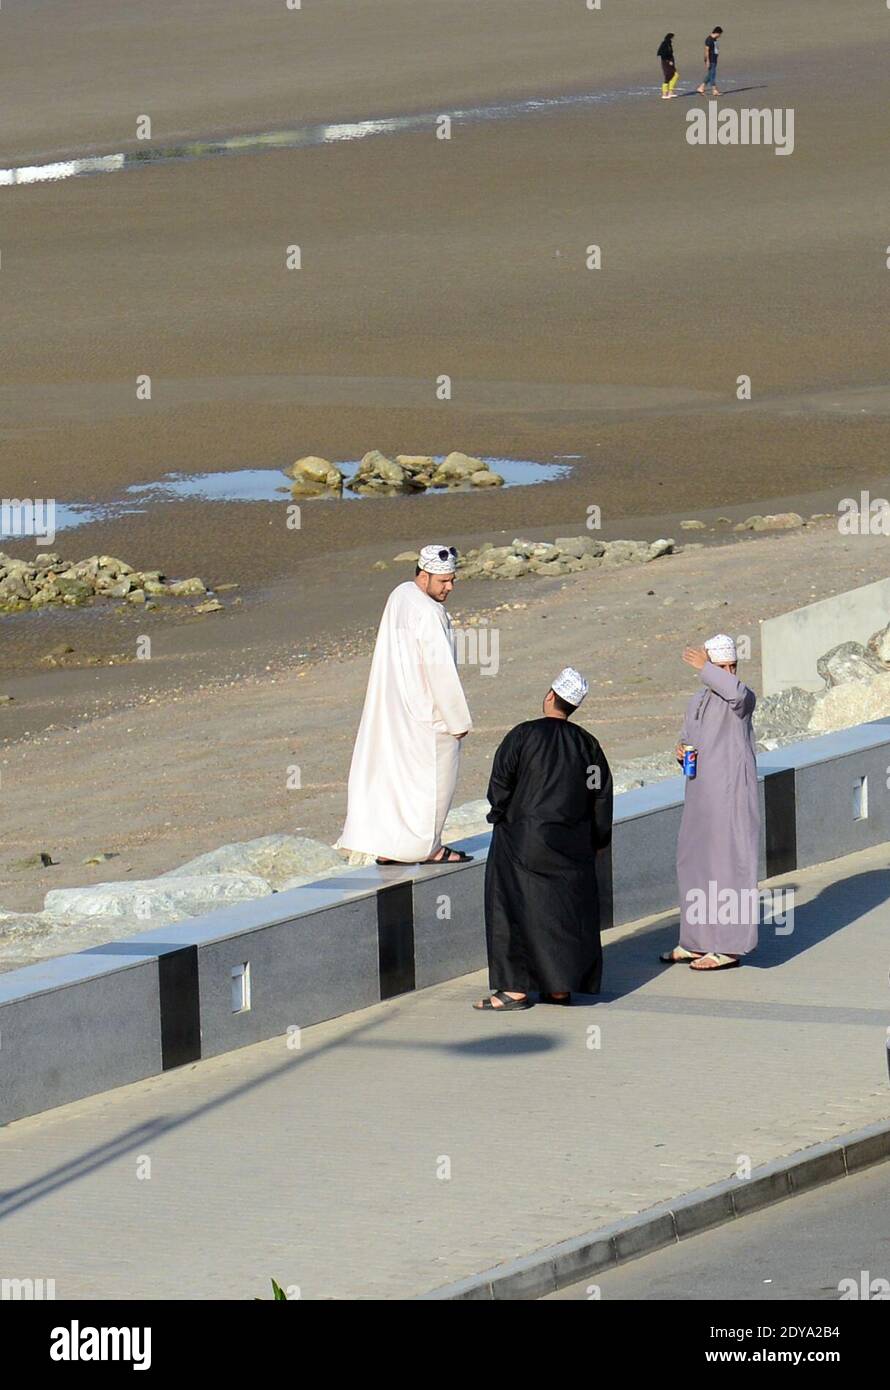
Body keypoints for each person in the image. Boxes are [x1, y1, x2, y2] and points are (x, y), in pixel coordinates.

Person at [475, 668, 613, 1011]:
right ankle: (559, 988)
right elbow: (599, 794)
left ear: (550, 696)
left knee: (511, 910)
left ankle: (514, 990)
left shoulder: (523, 735)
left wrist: (501, 815)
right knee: (563, 914)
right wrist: (598, 838)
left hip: (522, 840)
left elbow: (499, 784)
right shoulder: (588, 745)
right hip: (572, 843)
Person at [337, 543, 473, 866]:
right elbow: (440, 670)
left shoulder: (400, 594)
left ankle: (392, 846)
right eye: (443, 582)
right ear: (424, 575)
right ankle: (429, 848)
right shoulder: (428, 611)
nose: (449, 587)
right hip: (428, 713)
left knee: (396, 780)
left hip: (395, 707)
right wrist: (457, 721)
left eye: (452, 580)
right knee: (436, 783)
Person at [662, 635, 759, 972]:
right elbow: (689, 739)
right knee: (693, 863)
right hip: (700, 794)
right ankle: (696, 940)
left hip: (731, 795)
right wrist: (680, 751)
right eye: (723, 667)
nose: (730, 672)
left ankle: (729, 947)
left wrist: (706, 667)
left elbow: (734, 692)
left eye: (733, 666)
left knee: (727, 866)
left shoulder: (741, 697)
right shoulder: (699, 700)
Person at [697, 26, 723, 97]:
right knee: (713, 74)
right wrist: (707, 61)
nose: (720, 36)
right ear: (717, 33)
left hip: (714, 59)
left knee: (710, 74)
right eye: (720, 34)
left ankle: (701, 87)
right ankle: (714, 90)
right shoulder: (709, 39)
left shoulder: (714, 40)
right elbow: (706, 51)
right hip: (710, 59)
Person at [657, 32, 680, 100]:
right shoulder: (665, 44)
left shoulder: (669, 43)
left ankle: (670, 92)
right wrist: (668, 61)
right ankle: (664, 94)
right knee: (668, 76)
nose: (673, 39)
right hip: (666, 63)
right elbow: (662, 54)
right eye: (672, 37)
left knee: (675, 75)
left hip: (670, 62)